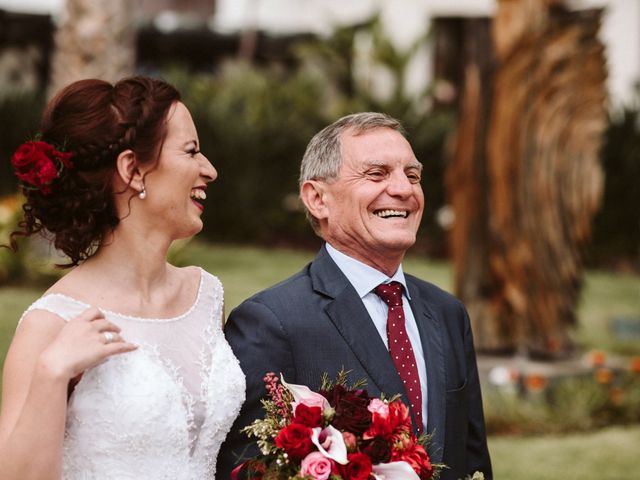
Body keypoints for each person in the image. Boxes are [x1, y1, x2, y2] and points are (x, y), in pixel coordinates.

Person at [218, 112, 492, 480]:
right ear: (317, 199)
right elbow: (249, 469)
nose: (404, 189)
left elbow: (473, 460)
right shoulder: (271, 322)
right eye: (377, 174)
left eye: (413, 175)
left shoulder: (448, 313)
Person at [0, 76, 245, 480]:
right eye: (192, 151)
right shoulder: (52, 323)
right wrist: (52, 373)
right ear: (132, 169)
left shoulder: (206, 295)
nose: (210, 170)